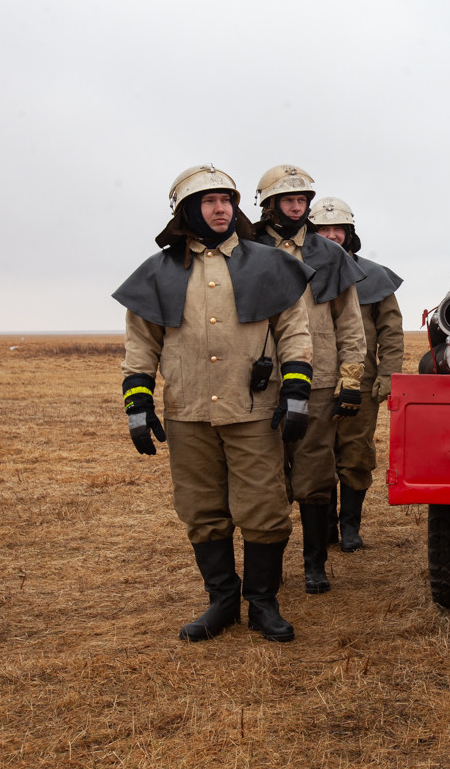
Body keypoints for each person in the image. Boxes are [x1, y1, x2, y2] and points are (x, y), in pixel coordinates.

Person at [112, 164, 315, 643]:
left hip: (253, 412)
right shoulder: (158, 273)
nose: (221, 208)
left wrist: (297, 393)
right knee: (201, 509)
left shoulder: (268, 264)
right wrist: (137, 404)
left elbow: (294, 332)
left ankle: (263, 603)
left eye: (227, 199)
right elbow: (141, 343)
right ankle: (221, 602)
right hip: (189, 412)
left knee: (265, 508)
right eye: (209, 201)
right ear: (187, 211)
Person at [252, 166, 366, 592]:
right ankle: (270, 570)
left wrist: (351, 378)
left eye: (302, 199)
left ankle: (315, 565)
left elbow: (351, 324)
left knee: (315, 476)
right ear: (270, 203)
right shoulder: (247, 250)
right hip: (264, 382)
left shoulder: (329, 254)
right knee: (267, 478)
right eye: (288, 199)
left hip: (318, 382)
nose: (297, 206)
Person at [310, 197, 404, 552]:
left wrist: (388, 375)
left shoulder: (373, 275)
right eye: (324, 229)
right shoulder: (298, 271)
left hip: (361, 383)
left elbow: (391, 330)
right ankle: (325, 528)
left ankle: (350, 527)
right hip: (313, 380)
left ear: (350, 234)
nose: (332, 235)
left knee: (355, 453)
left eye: (339, 229)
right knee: (317, 456)